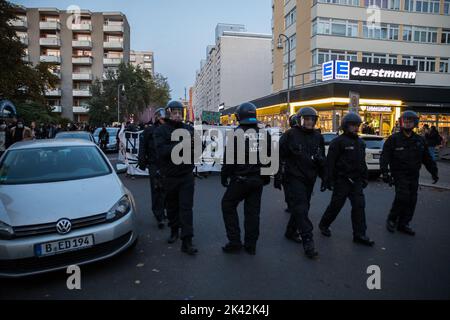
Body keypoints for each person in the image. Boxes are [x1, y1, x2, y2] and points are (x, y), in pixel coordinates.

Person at [221, 102, 271, 255]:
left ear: (239, 116)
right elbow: (270, 157)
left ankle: (235, 241)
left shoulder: (236, 133)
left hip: (241, 180)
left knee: (227, 205)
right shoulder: (265, 133)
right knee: (253, 213)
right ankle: (251, 245)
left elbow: (229, 160)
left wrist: (224, 176)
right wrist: (266, 177)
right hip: (257, 180)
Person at [274, 107, 325, 259]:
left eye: (312, 119)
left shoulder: (318, 137)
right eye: (306, 119)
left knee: (303, 207)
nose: (309, 122)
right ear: (300, 120)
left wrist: (325, 178)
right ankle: (308, 240)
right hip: (293, 178)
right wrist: (277, 176)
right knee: (301, 209)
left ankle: (290, 232)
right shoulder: (290, 135)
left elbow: (321, 158)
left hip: (310, 178)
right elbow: (279, 156)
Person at [319, 112, 375, 247]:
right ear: (345, 126)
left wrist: (365, 177)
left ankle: (360, 234)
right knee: (336, 205)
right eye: (352, 125)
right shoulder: (338, 142)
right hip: (342, 181)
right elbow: (330, 163)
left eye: (357, 125)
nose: (356, 128)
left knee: (359, 207)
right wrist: (328, 180)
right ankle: (324, 224)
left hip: (356, 181)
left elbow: (362, 162)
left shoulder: (361, 143)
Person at [381, 111, 438, 236]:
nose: (407, 124)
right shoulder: (393, 139)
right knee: (402, 196)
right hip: (399, 173)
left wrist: (434, 172)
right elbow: (385, 157)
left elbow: (427, 158)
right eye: (405, 121)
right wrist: (385, 172)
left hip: (413, 174)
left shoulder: (419, 140)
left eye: (410, 121)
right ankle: (392, 219)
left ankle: (404, 223)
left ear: (415, 123)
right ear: (401, 123)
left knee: (412, 199)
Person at [154, 100, 198, 255]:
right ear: (168, 113)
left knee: (186, 209)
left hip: (186, 175)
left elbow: (199, 149)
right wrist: (182, 145)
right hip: (169, 176)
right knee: (172, 207)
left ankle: (187, 241)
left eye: (180, 112)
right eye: (174, 112)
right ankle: (174, 231)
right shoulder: (161, 131)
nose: (178, 115)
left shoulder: (189, 129)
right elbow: (161, 152)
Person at [139, 109, 167, 229]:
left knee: (166, 190)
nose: (164, 121)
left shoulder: (169, 130)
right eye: (162, 119)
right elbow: (143, 147)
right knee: (156, 190)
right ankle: (159, 215)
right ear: (157, 118)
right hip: (154, 164)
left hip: (166, 164)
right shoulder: (149, 130)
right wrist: (142, 161)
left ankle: (163, 212)